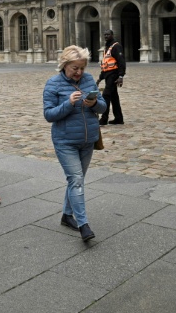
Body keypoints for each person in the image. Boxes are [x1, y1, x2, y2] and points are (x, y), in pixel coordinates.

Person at [44, 45, 106, 242]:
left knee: (75, 180)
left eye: (82, 68)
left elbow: (103, 107)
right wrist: (68, 103)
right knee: (76, 180)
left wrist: (94, 103)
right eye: (75, 68)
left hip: (88, 140)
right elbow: (49, 115)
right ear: (64, 65)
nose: (79, 72)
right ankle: (83, 225)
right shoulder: (52, 84)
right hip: (65, 141)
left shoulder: (88, 80)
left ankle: (66, 215)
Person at [97, 29, 126, 125]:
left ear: (112, 35)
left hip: (113, 75)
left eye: (108, 34)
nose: (106, 36)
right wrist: (100, 78)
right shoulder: (107, 47)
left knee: (106, 95)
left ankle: (104, 119)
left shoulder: (116, 46)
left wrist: (121, 76)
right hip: (107, 74)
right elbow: (106, 64)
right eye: (104, 35)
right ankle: (119, 118)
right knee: (114, 97)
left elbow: (121, 62)